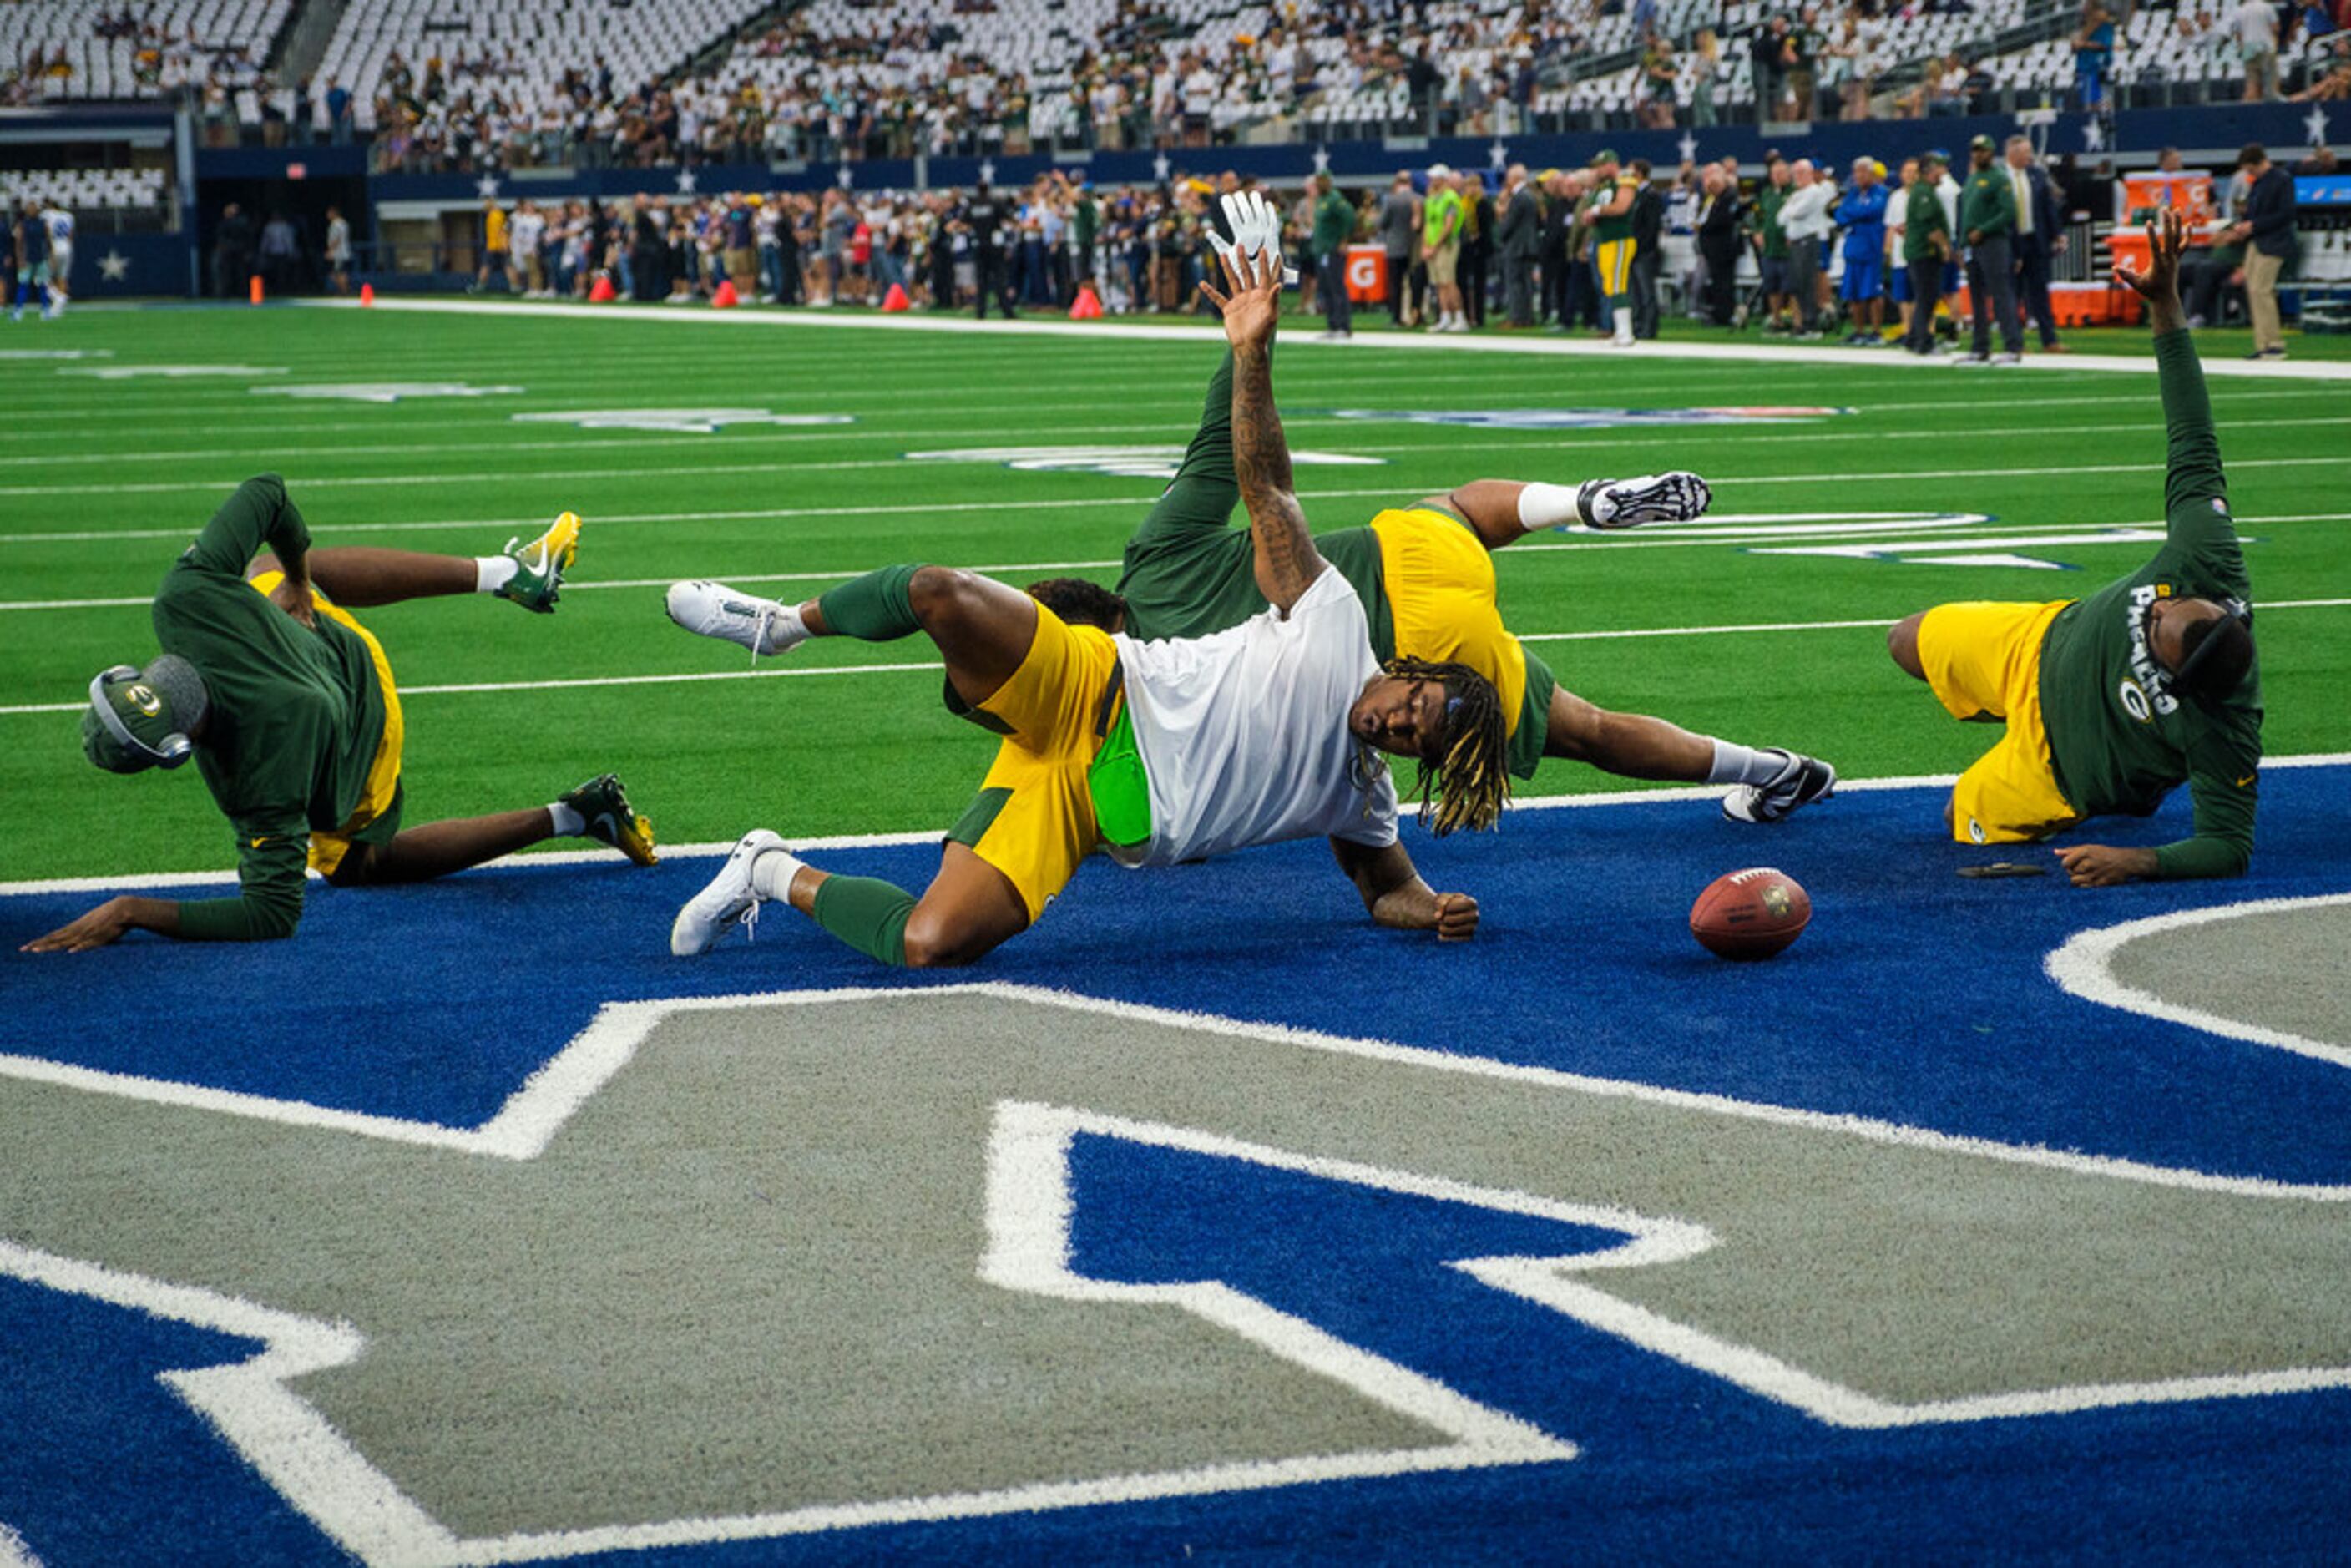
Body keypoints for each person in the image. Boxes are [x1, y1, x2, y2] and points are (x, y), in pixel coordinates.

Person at [663, 241, 1489, 968]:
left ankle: (764, 869)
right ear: (1407, 670)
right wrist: (1251, 355)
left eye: (1419, 736)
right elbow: (1266, 486)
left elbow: (1385, 889)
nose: (1399, 722)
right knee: (936, 594)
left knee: (928, 942)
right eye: (1411, 701)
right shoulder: (1336, 620)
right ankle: (780, 625)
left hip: (1075, 803)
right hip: (1091, 685)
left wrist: (1432, 908)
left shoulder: (1364, 795)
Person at [1090, 200, 1831, 831]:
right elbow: (1231, 437)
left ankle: (1775, 768)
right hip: (1406, 557)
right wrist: (1259, 322)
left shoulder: (1145, 683)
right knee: (1454, 508)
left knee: (1594, 733)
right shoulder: (1152, 556)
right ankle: (1572, 504)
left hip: (1393, 663)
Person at [25, 480, 655, 953]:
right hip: (338, 643)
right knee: (267, 568)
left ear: (179, 742)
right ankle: (510, 575)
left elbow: (270, 915)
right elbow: (267, 493)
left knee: (353, 862)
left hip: (369, 740)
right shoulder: (183, 600)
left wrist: (133, 910)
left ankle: (573, 814)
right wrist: (298, 578)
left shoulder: (255, 785)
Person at [1885, 211, 2259, 885]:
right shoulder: (2208, 557)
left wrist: (2138, 861)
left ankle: (2130, 791)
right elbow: (2193, 434)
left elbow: (2228, 846)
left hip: (2059, 761)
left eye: (2155, 631)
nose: (2154, 612)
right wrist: (2166, 305)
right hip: (2043, 640)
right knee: (1905, 640)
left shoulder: (2221, 727)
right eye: (2164, 609)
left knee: (1956, 821)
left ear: (2179, 685)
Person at [2222, 142, 2295, 359]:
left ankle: (2274, 343)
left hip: (2274, 242)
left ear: (2259, 162)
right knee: (2253, 290)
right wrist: (2244, 224)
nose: (2248, 173)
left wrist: (2254, 225)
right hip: (2257, 241)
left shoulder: (2281, 180)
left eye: (2250, 169)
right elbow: (2255, 212)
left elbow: (2286, 214)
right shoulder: (2259, 183)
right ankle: (2263, 343)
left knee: (2263, 290)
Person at [1956, 134, 2024, 364]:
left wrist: (1983, 230)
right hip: (1973, 246)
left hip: (1993, 243)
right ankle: (1980, 347)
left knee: (2000, 295)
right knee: (1976, 297)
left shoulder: (1999, 178)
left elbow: (2008, 213)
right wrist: (1962, 244)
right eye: (1975, 150)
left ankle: (2013, 346)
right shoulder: (1972, 179)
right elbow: (1965, 215)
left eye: (1982, 150)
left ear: (1991, 152)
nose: (1978, 154)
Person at [2005, 135, 2067, 353]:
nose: (2029, 156)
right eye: (2025, 152)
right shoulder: (2001, 178)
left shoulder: (2037, 176)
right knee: (2013, 293)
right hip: (2012, 242)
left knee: (2040, 292)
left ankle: (2049, 340)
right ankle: (2015, 341)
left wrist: (2058, 233)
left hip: (2035, 240)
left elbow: (2048, 208)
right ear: (2012, 154)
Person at [1901, 152, 1955, 356]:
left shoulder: (1925, 191)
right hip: (1923, 252)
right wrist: (1945, 247)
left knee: (1926, 296)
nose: (1942, 172)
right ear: (1929, 171)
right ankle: (1924, 341)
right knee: (1927, 297)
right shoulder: (1924, 192)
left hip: (1921, 252)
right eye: (1939, 168)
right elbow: (1929, 226)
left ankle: (1914, 338)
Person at [1585, 149, 1639, 346]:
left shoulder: (1625, 180)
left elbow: (1622, 206)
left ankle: (1626, 333)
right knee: (1609, 286)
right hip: (1604, 239)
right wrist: (1591, 216)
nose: (1597, 170)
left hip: (1619, 238)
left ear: (1611, 164)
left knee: (1617, 285)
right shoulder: (1601, 187)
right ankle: (1620, 331)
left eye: (1601, 166)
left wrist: (1598, 210)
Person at [1778, 159, 1835, 338]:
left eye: (1801, 173)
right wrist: (1790, 211)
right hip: (1795, 243)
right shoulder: (1797, 194)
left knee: (1807, 284)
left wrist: (1790, 210)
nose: (1797, 177)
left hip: (1808, 241)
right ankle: (1802, 323)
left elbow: (1797, 213)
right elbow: (1780, 219)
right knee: (1797, 285)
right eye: (1795, 174)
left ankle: (1811, 324)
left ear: (1810, 174)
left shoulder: (1814, 192)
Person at [1307, 171, 1355, 339]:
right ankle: (1333, 324)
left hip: (1333, 250)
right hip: (1321, 250)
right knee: (1326, 289)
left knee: (1337, 287)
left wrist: (1344, 240)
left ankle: (1343, 324)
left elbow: (1349, 218)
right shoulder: (1321, 200)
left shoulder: (1335, 199)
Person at [1696, 163, 1743, 326]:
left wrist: (1703, 226)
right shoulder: (1710, 199)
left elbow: (1725, 220)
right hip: (1711, 247)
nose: (1708, 184)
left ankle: (1725, 314)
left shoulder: (1730, 196)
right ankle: (1718, 313)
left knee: (1724, 283)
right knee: (1716, 282)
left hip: (1724, 247)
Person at [1421, 164, 1467, 332]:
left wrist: (1435, 246)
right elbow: (1428, 223)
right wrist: (1425, 246)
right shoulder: (1432, 198)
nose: (1431, 180)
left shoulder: (1450, 198)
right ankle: (1445, 316)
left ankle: (1460, 317)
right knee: (1439, 283)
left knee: (1448, 281)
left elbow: (1449, 225)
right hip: (1433, 245)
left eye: (1434, 177)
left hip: (1446, 245)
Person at [1495, 163, 1541, 327]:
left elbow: (1510, 224)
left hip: (1517, 247)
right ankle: (1525, 317)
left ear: (1514, 178)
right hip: (1526, 246)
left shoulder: (1519, 197)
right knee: (1525, 284)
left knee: (1515, 283)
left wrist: (1501, 221)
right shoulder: (1529, 195)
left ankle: (1517, 318)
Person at [963, 180, 1016, 319]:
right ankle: (1006, 310)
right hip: (994, 245)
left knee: (981, 280)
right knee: (1000, 279)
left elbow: (964, 222)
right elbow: (1008, 218)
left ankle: (981, 311)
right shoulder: (995, 203)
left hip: (979, 245)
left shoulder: (972, 205)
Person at [1627, 159, 1665, 339]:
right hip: (1635, 250)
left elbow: (1651, 227)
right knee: (1635, 291)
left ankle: (1649, 327)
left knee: (1646, 291)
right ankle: (1638, 325)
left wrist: (1641, 247)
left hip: (1644, 251)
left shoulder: (1650, 195)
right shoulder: (1636, 195)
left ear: (1640, 174)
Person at [1378, 170, 1419, 326]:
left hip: (1395, 247)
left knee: (1396, 284)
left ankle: (1396, 318)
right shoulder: (1419, 199)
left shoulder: (1392, 201)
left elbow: (1382, 223)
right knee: (1415, 283)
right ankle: (1416, 314)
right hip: (1414, 246)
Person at [37, 200, 72, 318]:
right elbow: (71, 234)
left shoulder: (48, 214)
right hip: (67, 247)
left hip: (55, 247)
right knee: (62, 278)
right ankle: (58, 309)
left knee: (42, 278)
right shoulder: (68, 216)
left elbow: (46, 230)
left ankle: (59, 298)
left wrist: (50, 249)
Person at [324, 205, 352, 295]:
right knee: (340, 272)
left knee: (338, 273)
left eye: (329, 213)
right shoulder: (344, 223)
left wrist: (330, 251)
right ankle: (344, 289)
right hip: (344, 252)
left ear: (334, 213)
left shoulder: (336, 224)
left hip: (339, 253)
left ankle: (344, 291)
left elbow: (337, 238)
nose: (327, 215)